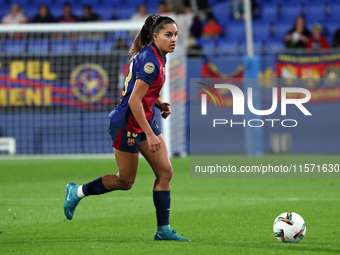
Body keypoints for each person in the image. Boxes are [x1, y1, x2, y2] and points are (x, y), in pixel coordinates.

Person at [63, 14, 190, 242]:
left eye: (176, 35)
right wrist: (150, 135)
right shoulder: (151, 61)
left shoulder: (158, 55)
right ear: (155, 36)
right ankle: (77, 192)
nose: (174, 39)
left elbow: (143, 91)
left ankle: (163, 230)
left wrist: (158, 102)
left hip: (144, 118)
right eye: (168, 35)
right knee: (125, 181)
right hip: (128, 124)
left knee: (165, 172)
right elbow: (133, 100)